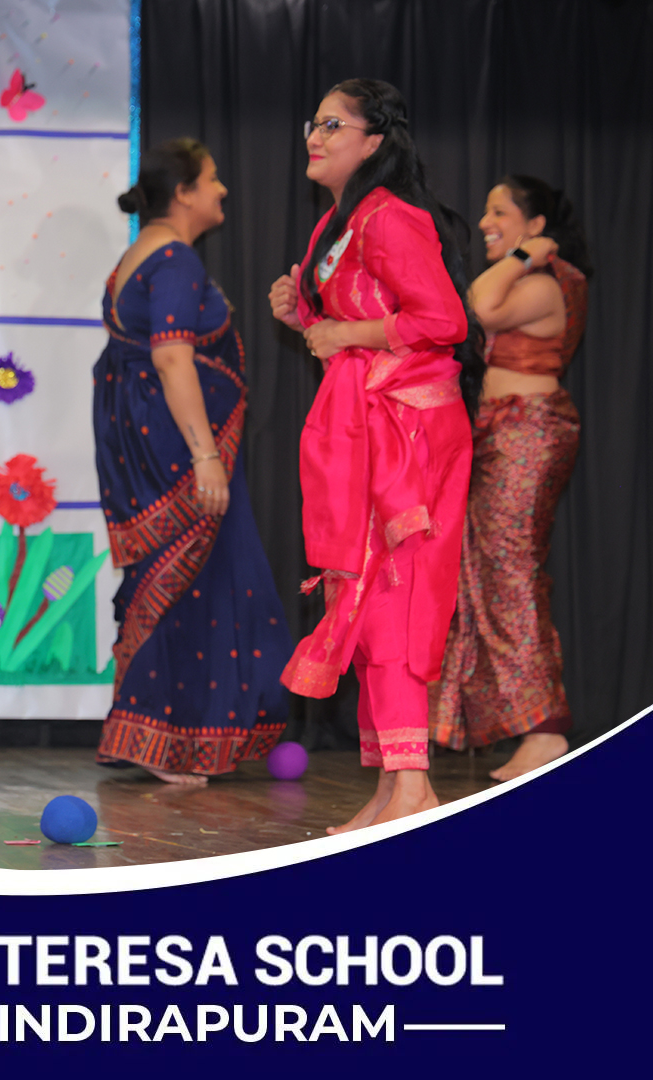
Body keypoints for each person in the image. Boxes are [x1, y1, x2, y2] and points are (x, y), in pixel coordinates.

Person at [268, 79, 483, 830]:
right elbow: (343, 332)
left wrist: (342, 332)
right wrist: (303, 315)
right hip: (363, 422)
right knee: (359, 597)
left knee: (394, 597)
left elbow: (443, 319)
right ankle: (397, 785)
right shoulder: (340, 222)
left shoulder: (389, 216)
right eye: (314, 122)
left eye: (333, 124)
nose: (315, 136)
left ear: (374, 141)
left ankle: (413, 788)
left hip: (407, 430)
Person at [93, 139, 293, 785]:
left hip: (151, 444)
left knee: (180, 579)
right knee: (193, 581)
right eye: (211, 179)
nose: (222, 189)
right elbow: (171, 356)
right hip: (178, 453)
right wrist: (206, 455)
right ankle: (168, 740)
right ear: (182, 193)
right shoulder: (174, 259)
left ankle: (157, 735)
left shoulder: (140, 255)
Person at [430, 176, 591, 780]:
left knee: (513, 576)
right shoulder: (526, 280)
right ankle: (512, 724)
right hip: (499, 433)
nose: (485, 221)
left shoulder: (548, 282)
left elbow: (477, 305)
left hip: (529, 432)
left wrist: (525, 256)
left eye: (499, 212)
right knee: (488, 577)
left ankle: (545, 731)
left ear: (536, 225)